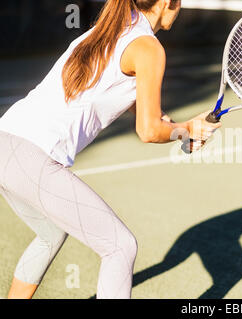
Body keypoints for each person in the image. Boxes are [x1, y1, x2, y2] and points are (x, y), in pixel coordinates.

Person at [0, 0, 220, 299]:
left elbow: (116, 91)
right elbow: (148, 131)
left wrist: (179, 127)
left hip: (6, 140)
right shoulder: (148, 47)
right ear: (169, 2)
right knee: (120, 247)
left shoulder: (106, 31)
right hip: (33, 156)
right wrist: (187, 130)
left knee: (51, 233)